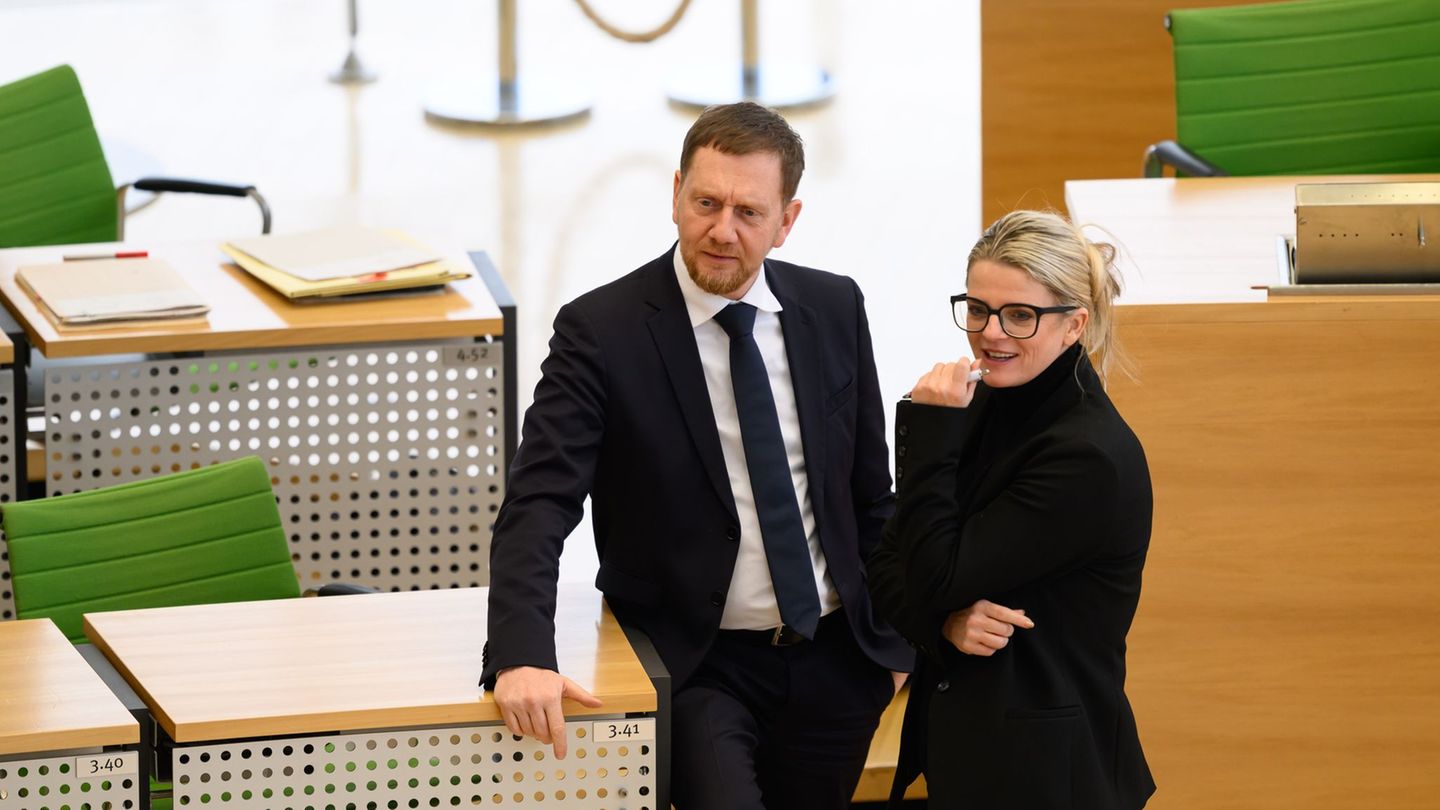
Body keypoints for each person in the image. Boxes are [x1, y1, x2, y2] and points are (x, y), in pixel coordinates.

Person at [479, 101, 912, 809]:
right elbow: (539, 502)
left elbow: (872, 496)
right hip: (697, 663)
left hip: (837, 657)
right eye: (706, 202)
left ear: (787, 221)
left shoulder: (833, 306)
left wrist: (900, 639)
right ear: (675, 192)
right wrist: (522, 651)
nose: (721, 230)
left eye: (748, 212)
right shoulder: (601, 331)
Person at [867, 210, 1156, 809]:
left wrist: (930, 432)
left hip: (1047, 774)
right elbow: (886, 567)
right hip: (978, 756)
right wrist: (944, 625)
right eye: (977, 309)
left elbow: (933, 574)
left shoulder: (1086, 457)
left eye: (1020, 316)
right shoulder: (984, 402)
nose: (990, 332)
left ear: (1073, 325)